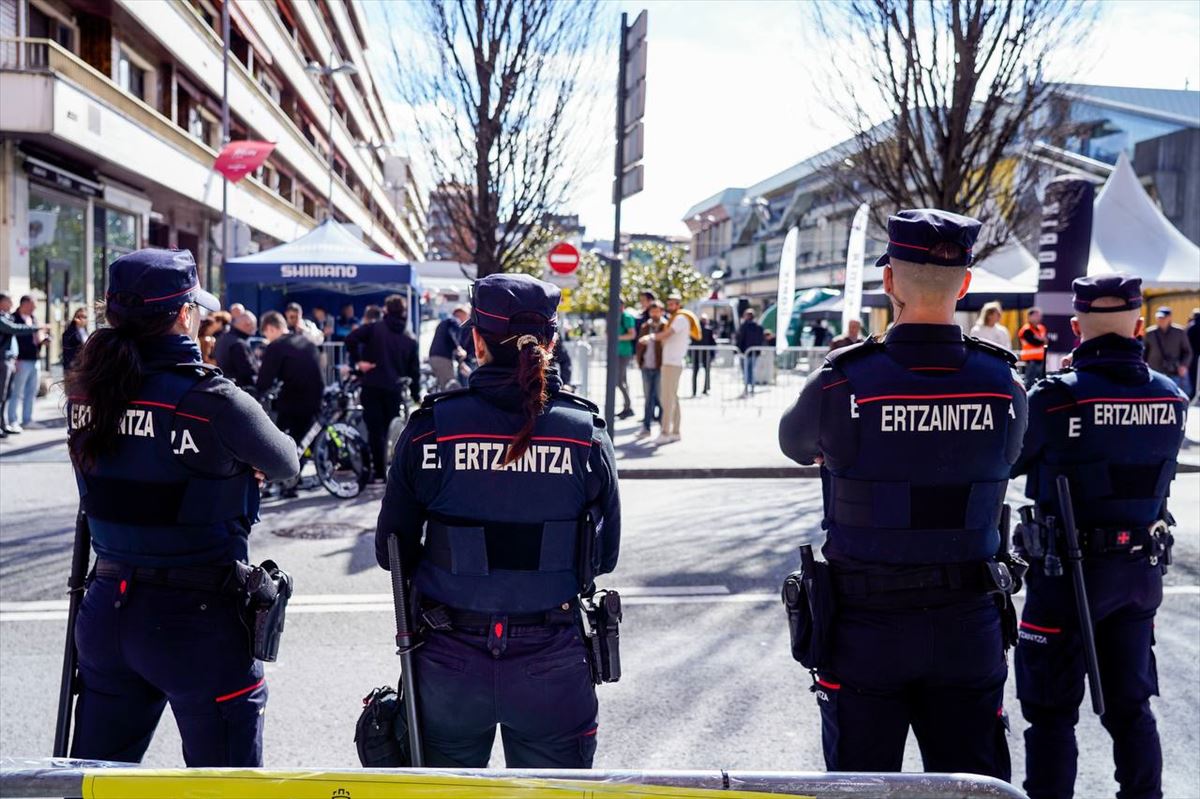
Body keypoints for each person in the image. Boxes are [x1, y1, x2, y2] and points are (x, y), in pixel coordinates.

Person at [778, 209, 1027, 780]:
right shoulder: (1006, 383)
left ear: (889, 281)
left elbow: (795, 444)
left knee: (861, 786)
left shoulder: (843, 379)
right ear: (965, 285)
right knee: (974, 788)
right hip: (969, 623)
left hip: (866, 627)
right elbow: (1013, 455)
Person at [375, 272, 620, 768]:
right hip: (552, 657)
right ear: (552, 342)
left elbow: (390, 550)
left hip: (447, 657)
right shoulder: (585, 435)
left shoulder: (429, 431)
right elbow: (605, 556)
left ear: (477, 340)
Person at [63, 248, 298, 766]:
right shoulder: (212, 399)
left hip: (106, 609)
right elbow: (286, 462)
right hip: (197, 619)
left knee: (97, 780)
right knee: (224, 785)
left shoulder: (86, 394)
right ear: (184, 314)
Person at [1012, 274, 1187, 799]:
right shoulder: (1172, 398)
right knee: (1131, 707)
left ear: (1075, 327)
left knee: (1049, 716)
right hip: (1137, 576)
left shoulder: (1054, 399)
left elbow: (1012, 460)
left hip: (1064, 577)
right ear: (1138, 325)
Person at [354, 295, 421, 483]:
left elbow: (351, 339)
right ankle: (394, 470)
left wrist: (360, 362)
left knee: (375, 430)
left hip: (372, 385)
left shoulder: (375, 328)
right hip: (394, 388)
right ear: (404, 312)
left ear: (386, 310)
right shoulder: (409, 339)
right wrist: (416, 395)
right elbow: (414, 372)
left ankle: (378, 471)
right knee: (393, 429)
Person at [256, 310, 323, 445]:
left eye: (266, 334)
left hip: (294, 400)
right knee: (304, 441)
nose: (267, 338)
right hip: (316, 397)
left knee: (280, 438)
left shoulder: (276, 346)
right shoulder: (306, 341)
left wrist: (255, 394)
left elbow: (264, 380)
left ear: (270, 328)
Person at [0, 292, 45, 437]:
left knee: (26, 392)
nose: (12, 304)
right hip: (15, 360)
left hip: (29, 359)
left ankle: (22, 420)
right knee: (12, 393)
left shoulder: (29, 317)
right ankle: (10, 421)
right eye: (9, 301)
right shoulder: (10, 318)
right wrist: (37, 328)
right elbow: (15, 331)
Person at [653, 294, 692, 444]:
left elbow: (667, 334)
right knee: (672, 397)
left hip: (672, 363)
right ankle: (675, 432)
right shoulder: (675, 318)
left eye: (672, 304)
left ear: (678, 305)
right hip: (670, 363)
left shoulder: (680, 318)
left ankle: (665, 432)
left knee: (667, 399)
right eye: (668, 304)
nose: (669, 307)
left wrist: (652, 337)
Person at [1143, 306, 1192, 396]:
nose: (1161, 320)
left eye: (1163, 317)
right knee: (1155, 395)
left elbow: (1187, 351)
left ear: (1169, 318)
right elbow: (1144, 352)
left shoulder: (1179, 332)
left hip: (1173, 371)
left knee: (1174, 395)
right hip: (1154, 371)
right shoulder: (1150, 333)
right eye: (1159, 317)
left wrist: (1184, 365)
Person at [635, 301, 666, 441]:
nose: (654, 314)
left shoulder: (665, 326)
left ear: (661, 311)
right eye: (652, 312)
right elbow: (639, 345)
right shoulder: (645, 326)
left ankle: (662, 426)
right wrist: (639, 361)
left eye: (656, 311)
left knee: (660, 398)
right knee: (648, 399)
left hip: (660, 367)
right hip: (646, 366)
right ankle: (646, 427)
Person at [214, 310, 259, 391]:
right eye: (254, 326)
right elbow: (248, 371)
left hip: (225, 386)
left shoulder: (222, 338)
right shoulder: (239, 343)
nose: (255, 329)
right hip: (240, 390)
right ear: (247, 324)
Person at [429, 306, 468, 391]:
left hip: (434, 357)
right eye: (466, 316)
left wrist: (460, 362)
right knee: (451, 387)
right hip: (442, 359)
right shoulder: (454, 321)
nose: (467, 319)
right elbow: (452, 335)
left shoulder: (444, 322)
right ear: (460, 314)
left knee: (445, 386)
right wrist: (459, 348)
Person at [735, 309, 765, 396]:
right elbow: (761, 340)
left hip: (745, 353)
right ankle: (751, 388)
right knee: (751, 370)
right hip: (754, 352)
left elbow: (740, 339)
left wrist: (738, 351)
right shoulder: (758, 327)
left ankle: (747, 388)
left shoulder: (744, 326)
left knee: (746, 371)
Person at [615, 303, 638, 417]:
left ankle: (628, 405)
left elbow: (632, 334)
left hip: (624, 353)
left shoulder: (627, 317)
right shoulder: (613, 316)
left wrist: (617, 337)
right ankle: (627, 407)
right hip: (615, 354)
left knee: (618, 381)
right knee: (622, 381)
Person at [1018, 307, 1048, 388]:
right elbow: (1035, 342)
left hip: (1041, 359)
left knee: (1041, 381)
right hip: (1031, 360)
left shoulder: (1041, 328)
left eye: (1039, 315)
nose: (1039, 317)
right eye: (1036, 315)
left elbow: (1047, 341)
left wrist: (1040, 340)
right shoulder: (1026, 330)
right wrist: (1042, 340)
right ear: (1029, 316)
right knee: (1029, 382)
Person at [691, 314, 716, 396]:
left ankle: (695, 391)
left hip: (698, 354)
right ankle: (704, 389)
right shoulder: (707, 330)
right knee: (705, 372)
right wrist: (713, 355)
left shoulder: (696, 330)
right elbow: (713, 343)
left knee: (696, 372)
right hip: (704, 354)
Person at [61, 307, 89, 373]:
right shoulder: (70, 332)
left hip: (83, 366)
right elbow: (69, 346)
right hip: (73, 367)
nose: (82, 319)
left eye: (85, 317)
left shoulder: (85, 331)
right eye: (79, 316)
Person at [1188, 308, 1200, 401]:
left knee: (1194, 377)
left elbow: (1187, 341)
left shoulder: (1191, 326)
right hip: (1195, 354)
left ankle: (1194, 394)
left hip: (1194, 355)